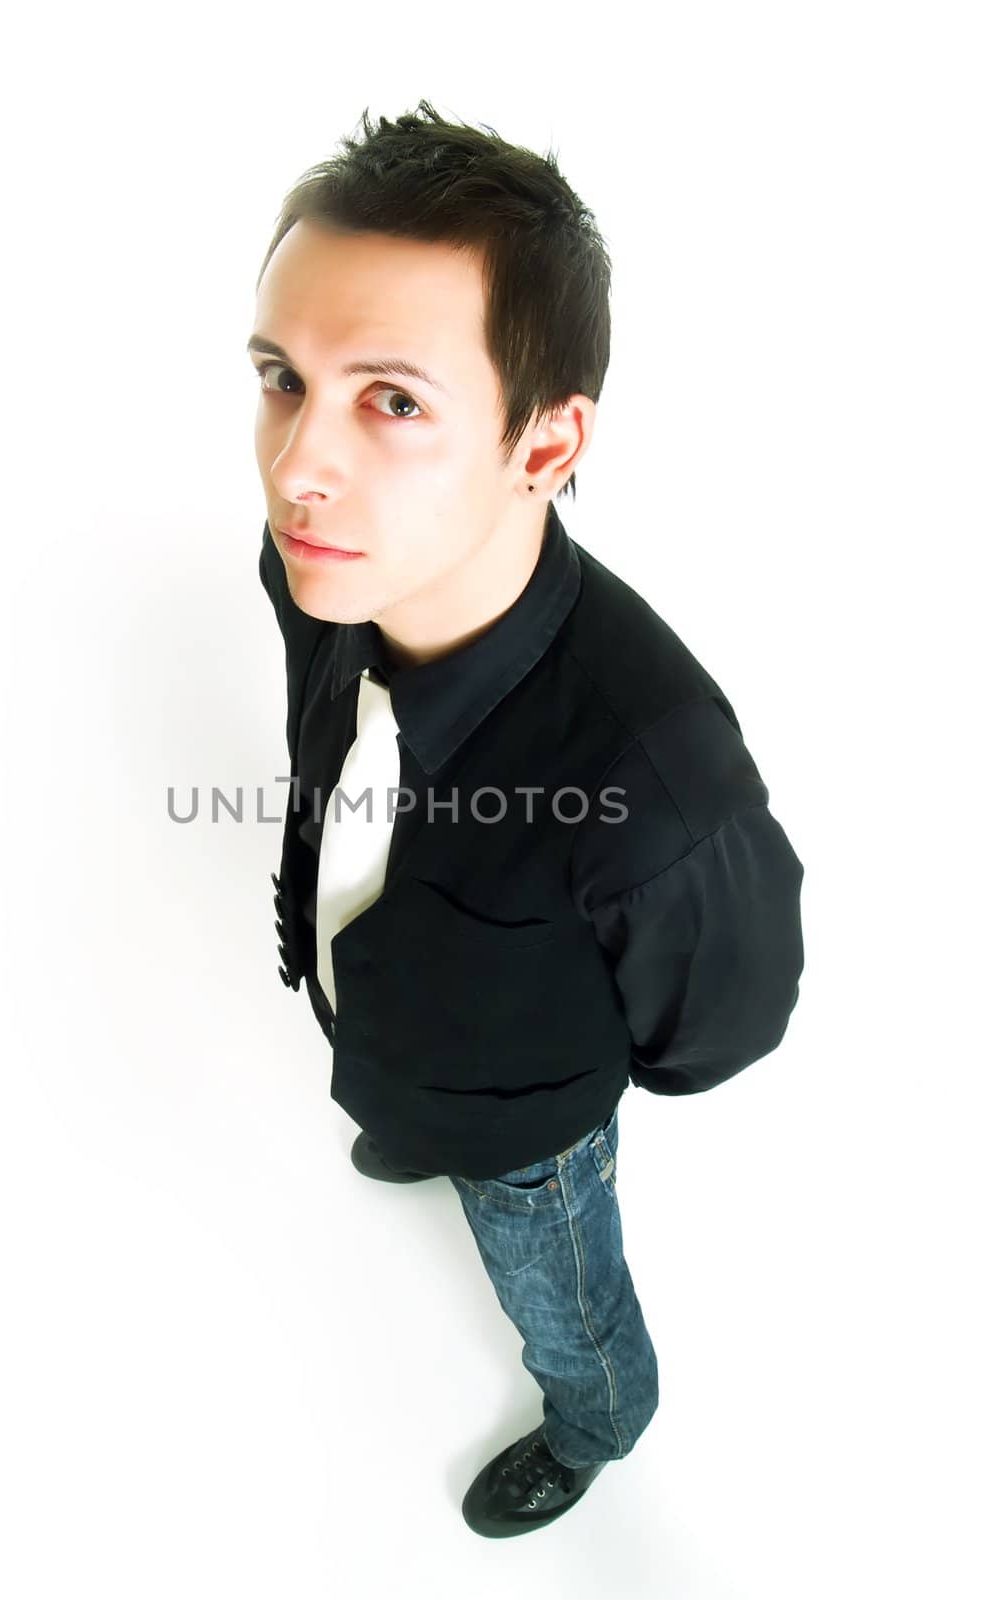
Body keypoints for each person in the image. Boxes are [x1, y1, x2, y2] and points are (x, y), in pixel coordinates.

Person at [252, 100, 805, 1539]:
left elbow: (720, 1023)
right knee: (406, 1080)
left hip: (531, 1126)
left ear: (547, 441)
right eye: (281, 377)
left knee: (562, 1293)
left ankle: (602, 1417)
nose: (300, 466)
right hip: (403, 1036)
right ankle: (411, 1111)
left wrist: (532, 1108)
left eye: (394, 399)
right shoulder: (323, 564)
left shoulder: (660, 772)